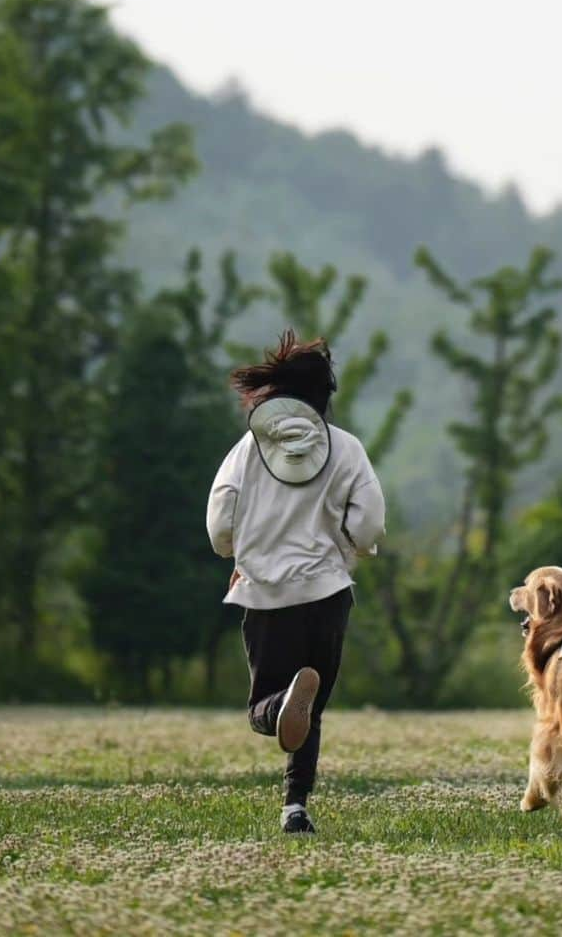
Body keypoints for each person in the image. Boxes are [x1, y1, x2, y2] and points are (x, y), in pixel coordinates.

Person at [206, 330, 385, 834]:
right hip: (327, 595)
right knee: (310, 712)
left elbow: (220, 519)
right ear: (326, 397)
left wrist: (235, 552)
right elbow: (369, 522)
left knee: (267, 707)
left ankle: (278, 705)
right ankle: (295, 807)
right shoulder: (348, 449)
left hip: (264, 592)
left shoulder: (246, 450)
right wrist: (351, 550)